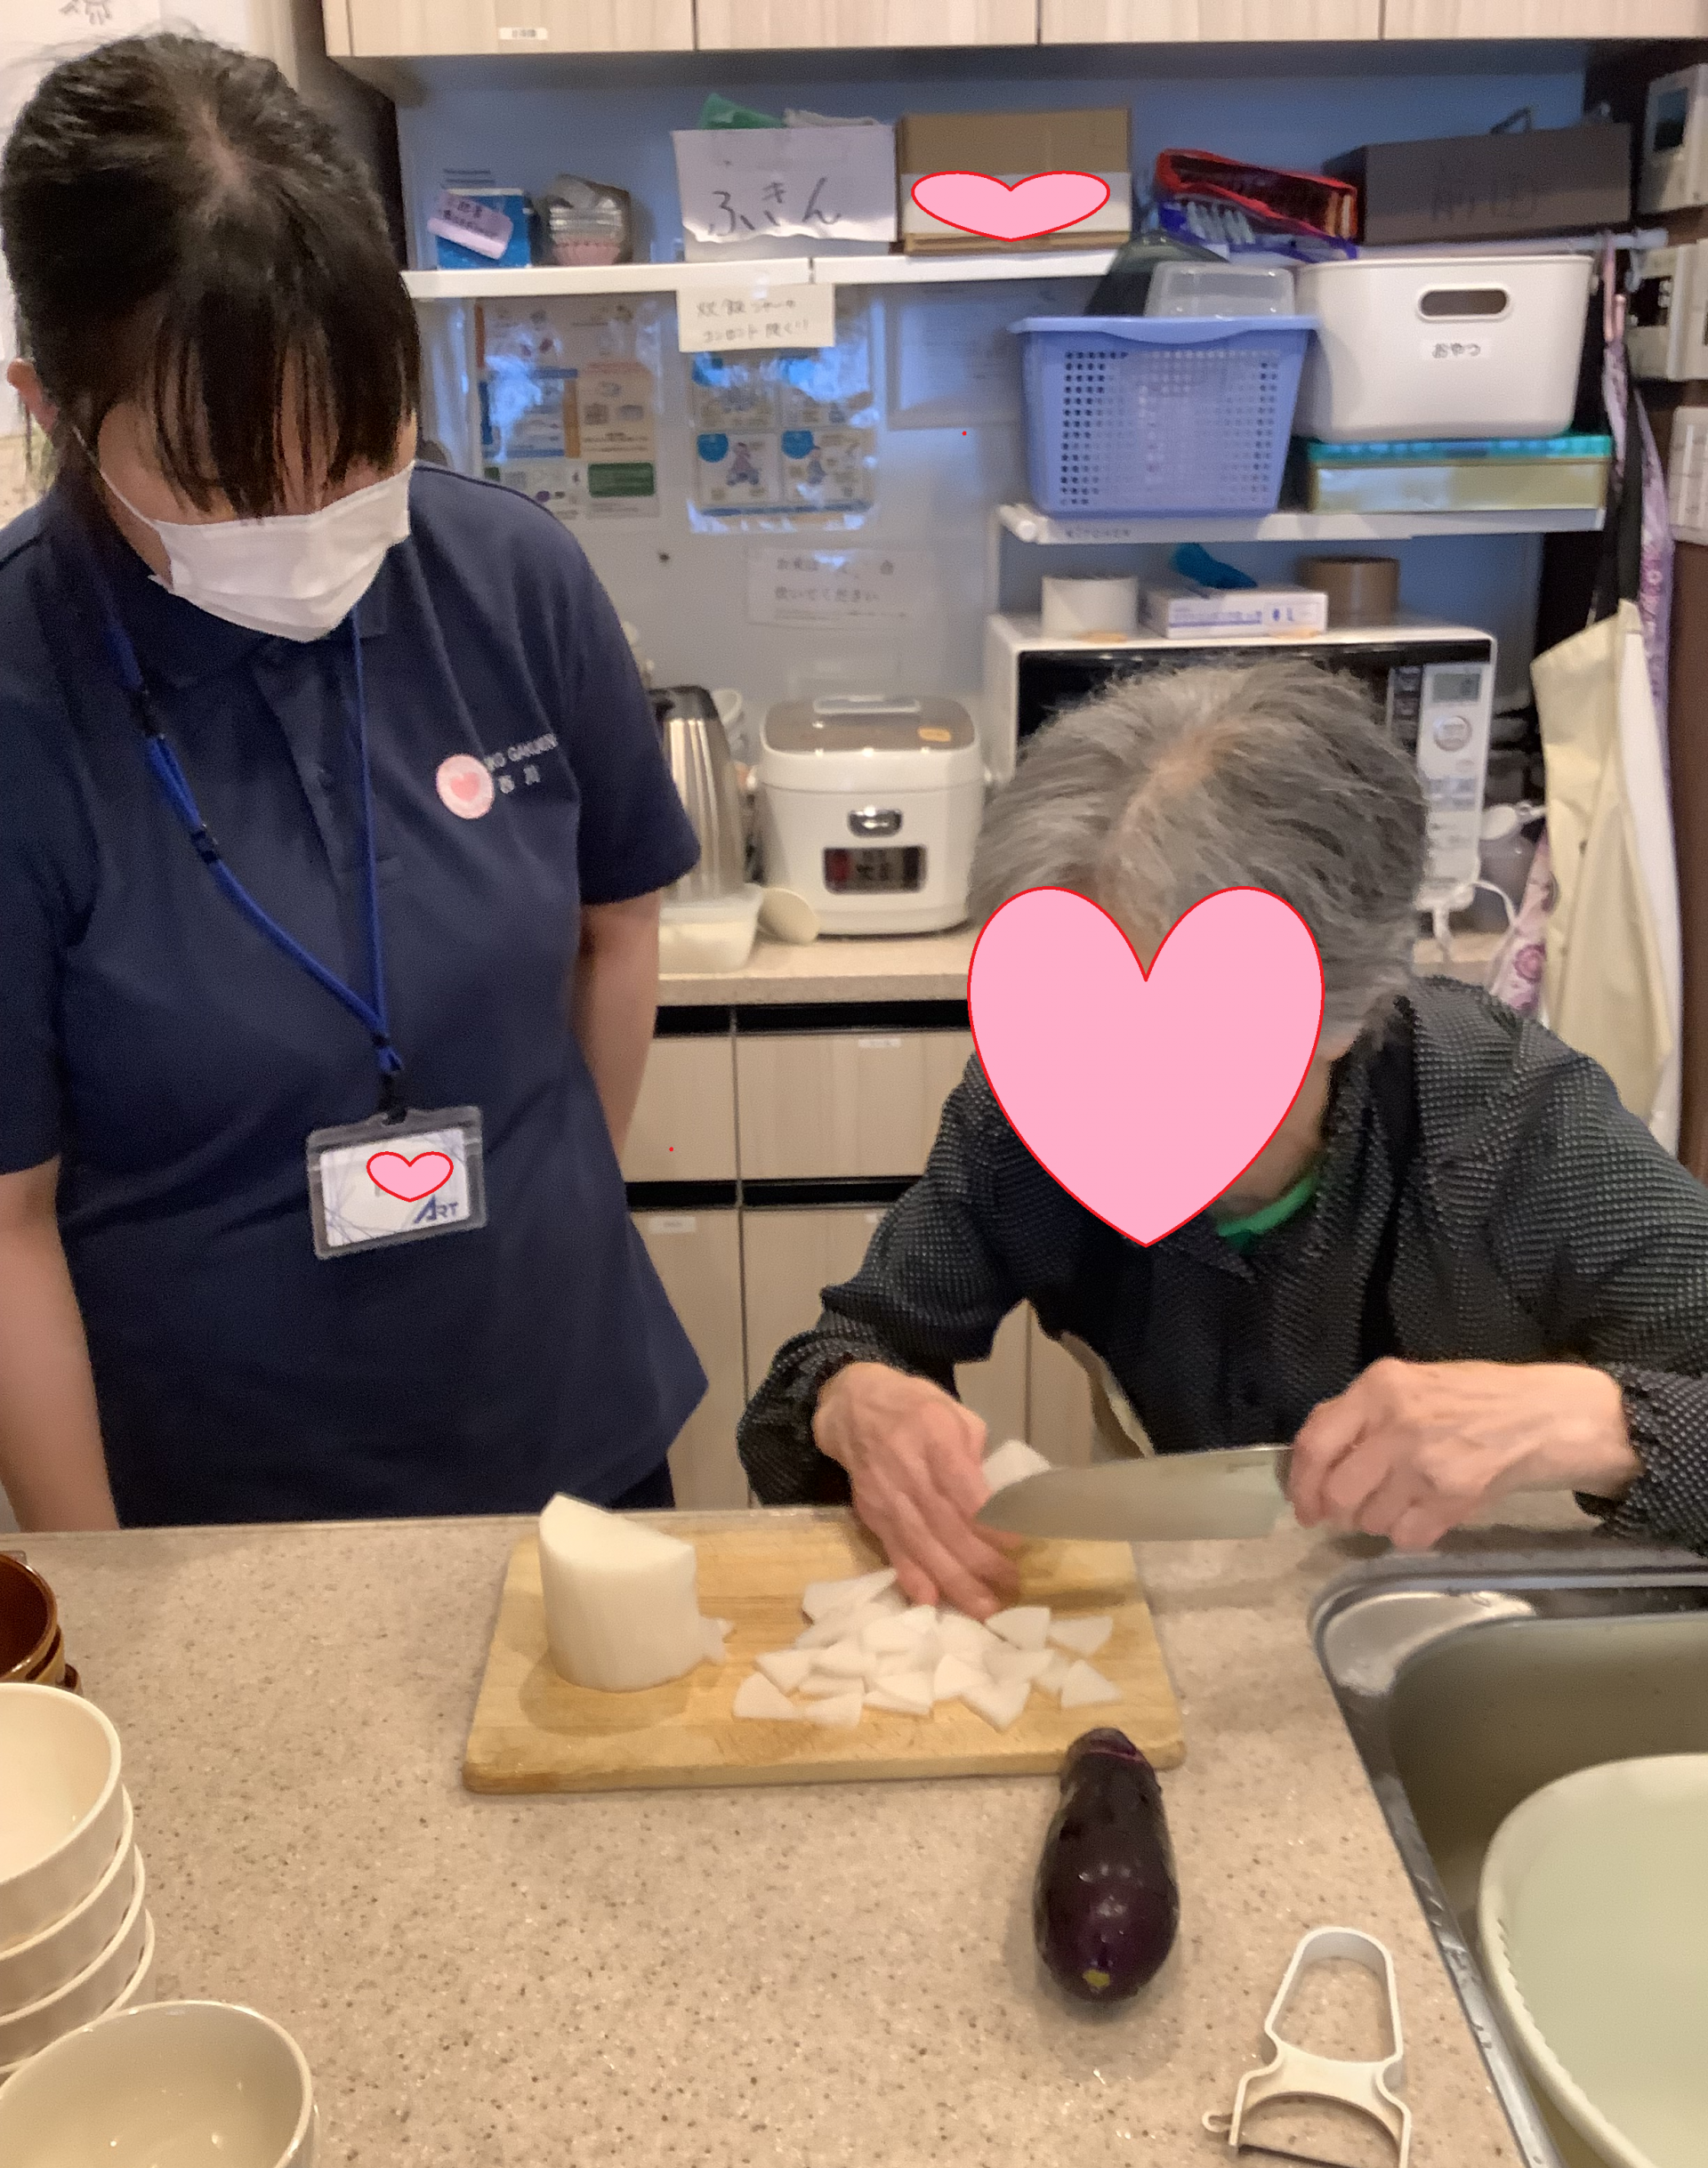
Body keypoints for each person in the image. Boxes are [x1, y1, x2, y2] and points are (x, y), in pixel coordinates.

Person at [0, 35, 705, 1532]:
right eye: (226, 478)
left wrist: (553, 1214)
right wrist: (93, 1595)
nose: (313, 516)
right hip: (219, 1508)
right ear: (48, 407)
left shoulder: (509, 577)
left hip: (563, 1424)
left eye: (361, 444)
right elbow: (5, 1224)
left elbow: (618, 924)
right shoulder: (20, 693)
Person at [738, 662, 1708, 1615]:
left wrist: (1597, 1423)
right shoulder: (1019, 1122)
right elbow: (853, 1343)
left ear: (1351, 1003)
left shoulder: (1515, 1125)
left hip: (1498, 1628)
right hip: (1200, 1605)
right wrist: (853, 1401)